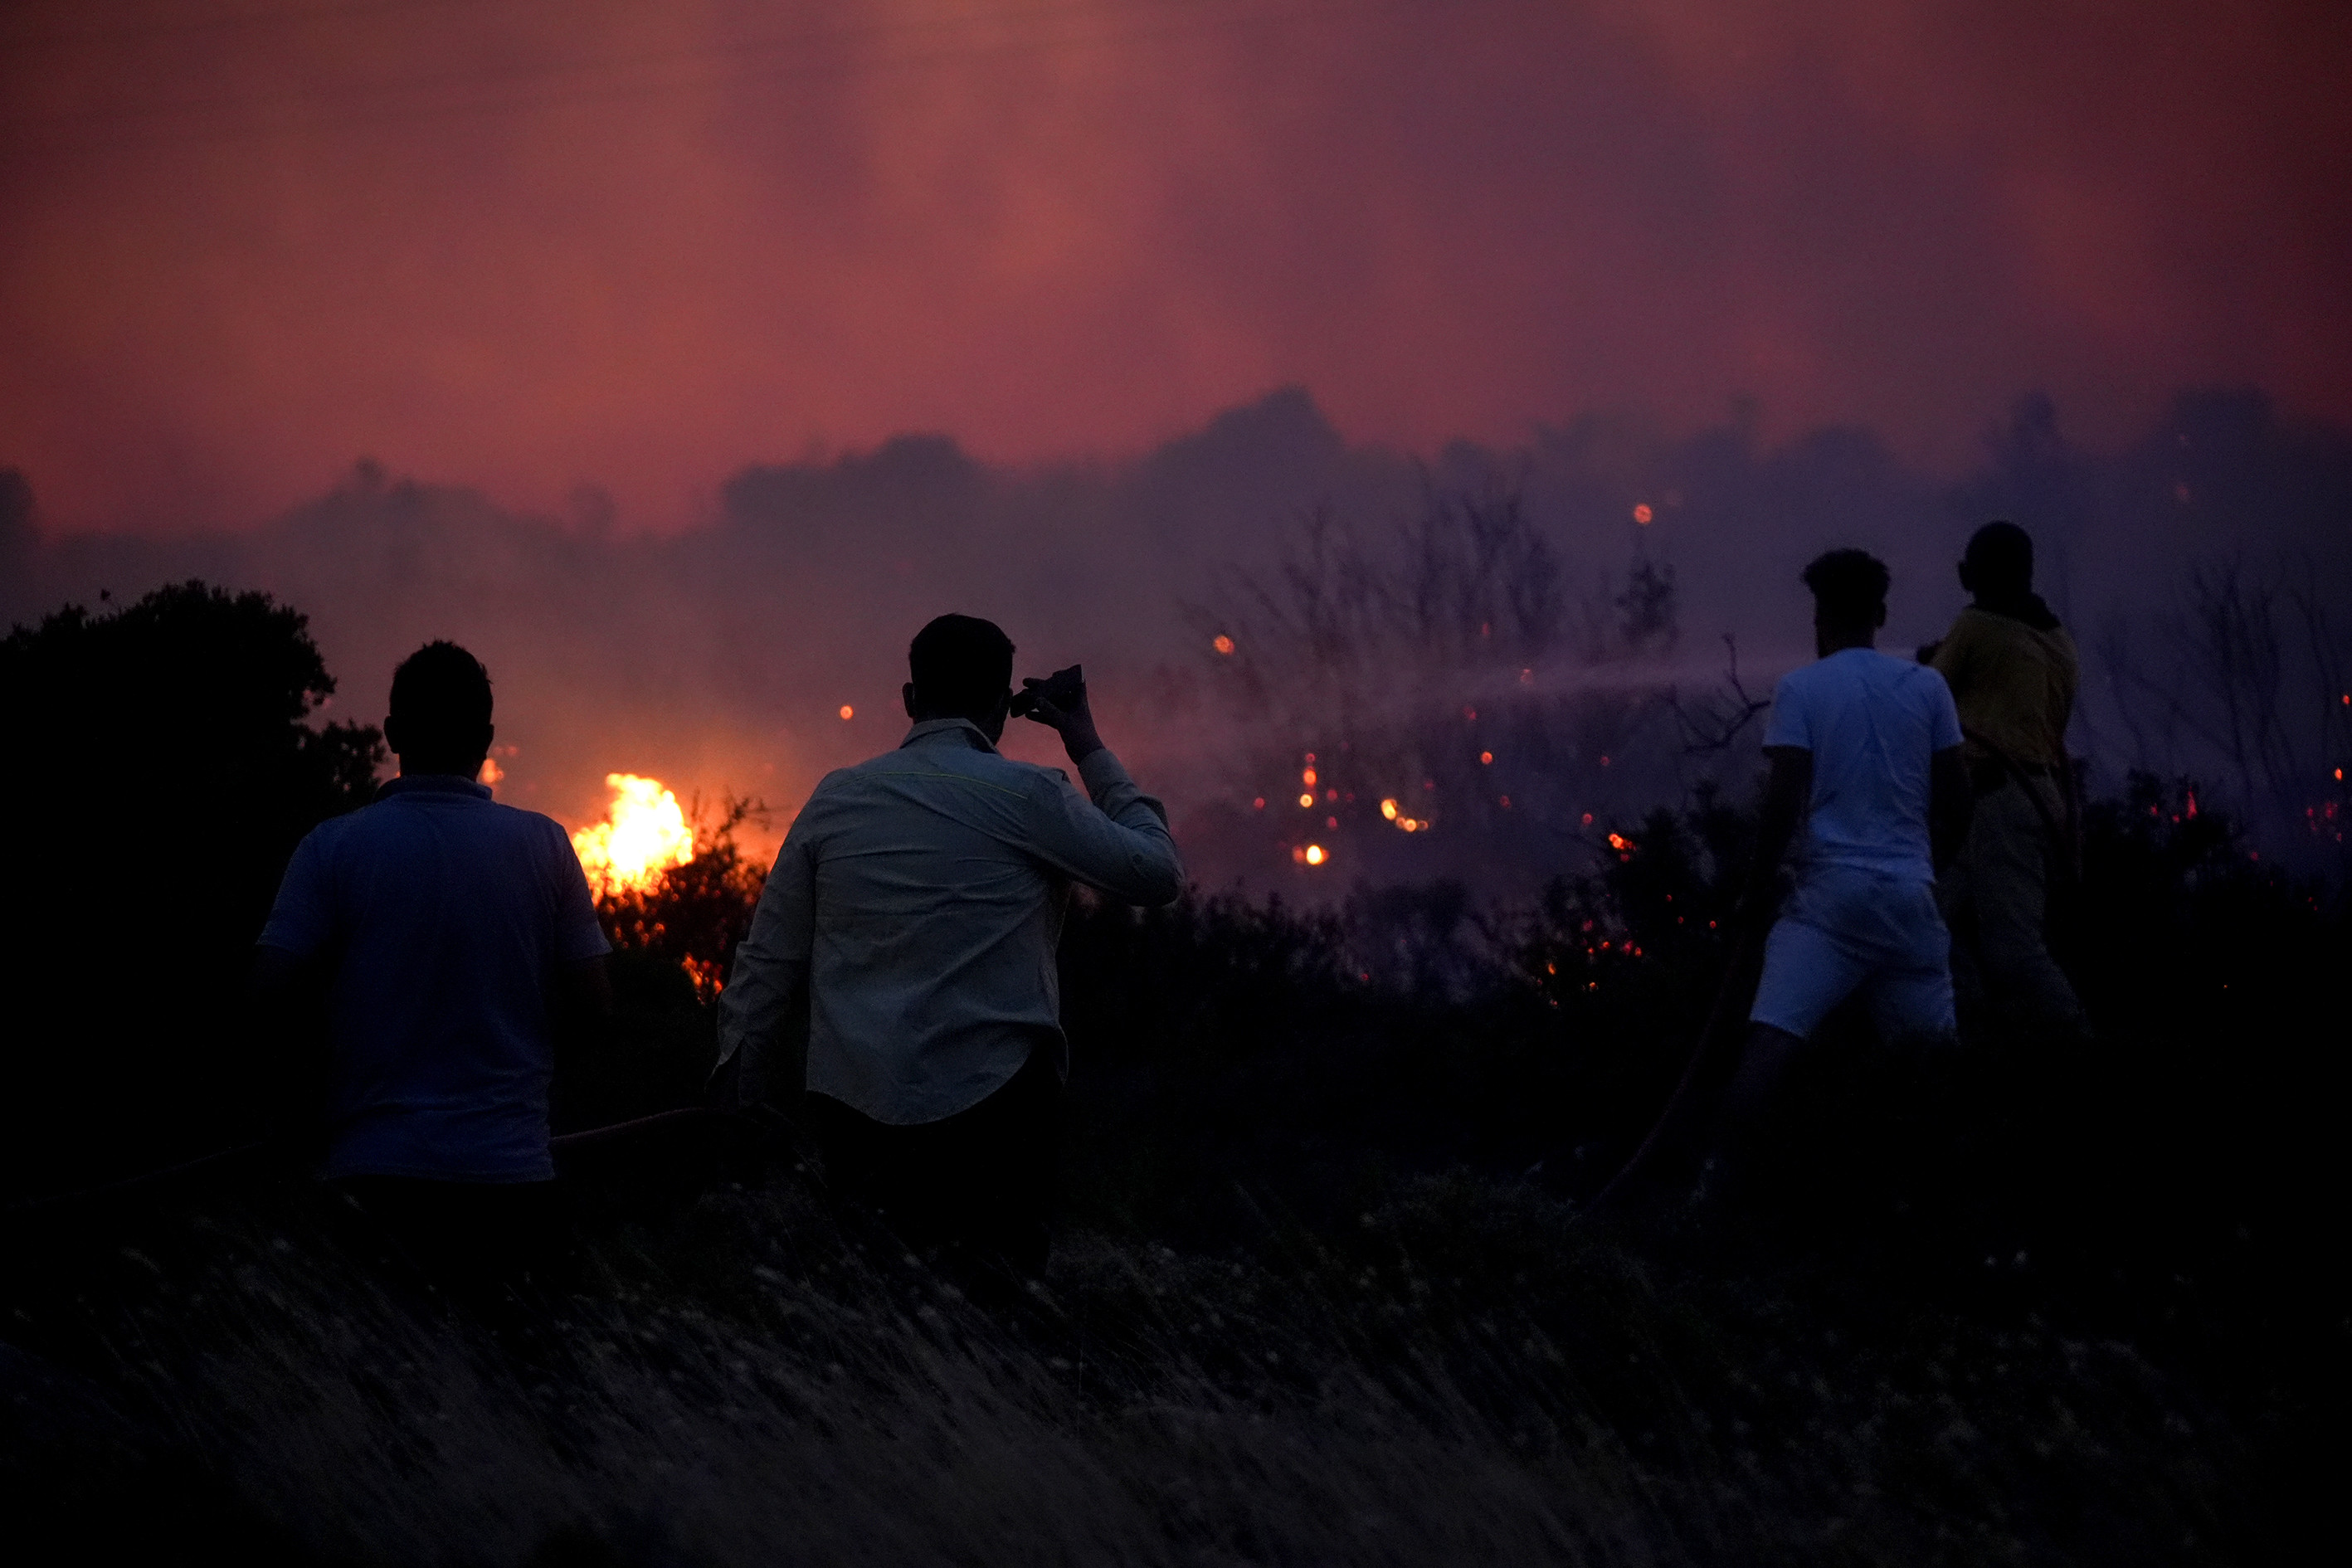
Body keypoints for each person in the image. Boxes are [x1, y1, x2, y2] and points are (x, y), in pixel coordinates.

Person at [714, 614, 1183, 1285]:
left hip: (854, 1109)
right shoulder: (1030, 795)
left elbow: (769, 958)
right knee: (993, 1309)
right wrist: (1085, 743)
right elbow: (1156, 874)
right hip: (996, 1109)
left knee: (879, 1310)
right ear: (1002, 708)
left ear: (910, 699)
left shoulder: (835, 798)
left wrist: (737, 1085)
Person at [253, 641, 611, 1307]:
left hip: (373, 1180)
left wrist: (313, 1105)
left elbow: (273, 995)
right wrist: (522, 1093)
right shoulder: (545, 846)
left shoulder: (332, 847)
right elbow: (593, 1008)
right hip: (513, 1185)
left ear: (392, 733)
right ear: (487, 740)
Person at [1717, 550, 1973, 1150]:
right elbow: (1959, 804)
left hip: (1828, 905)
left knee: (1771, 1040)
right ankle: (1955, 1182)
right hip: (1910, 903)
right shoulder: (1928, 687)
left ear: (1819, 617)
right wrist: (1922, 871)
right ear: (1880, 614)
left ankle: (1716, 1183)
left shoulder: (1800, 689)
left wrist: (1755, 893)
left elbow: (1782, 802)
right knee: (1934, 1065)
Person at [1926, 521, 2089, 1036]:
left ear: (1976, 573)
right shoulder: (2060, 642)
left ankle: (2085, 1048)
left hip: (1995, 801)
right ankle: (1972, 1024)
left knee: (2015, 954)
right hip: (2032, 799)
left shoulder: (1976, 625)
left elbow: (1926, 698)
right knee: (1921, 924)